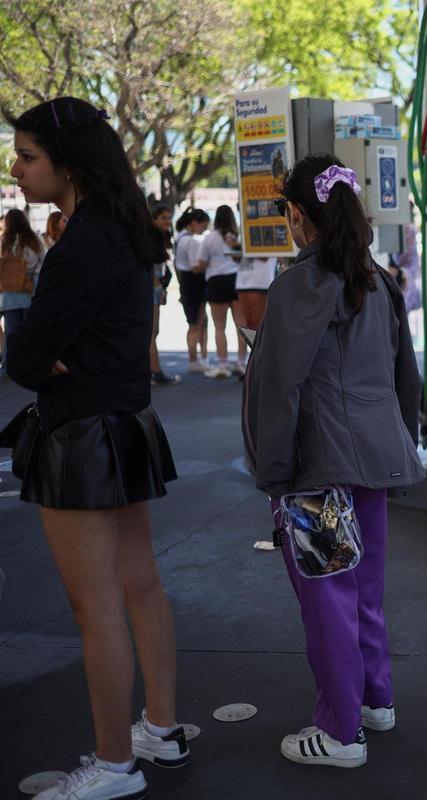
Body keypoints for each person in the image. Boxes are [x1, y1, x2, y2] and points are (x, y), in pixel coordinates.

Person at [5, 96, 185, 800]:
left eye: (27, 157)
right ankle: (160, 729)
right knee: (139, 588)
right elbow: (43, 347)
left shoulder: (82, 244)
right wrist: (43, 350)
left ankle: (113, 766)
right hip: (124, 426)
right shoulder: (122, 230)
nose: (17, 170)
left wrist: (40, 353)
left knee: (97, 608)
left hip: (81, 436)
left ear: (68, 164)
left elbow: (24, 357)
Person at [243, 153, 424, 767]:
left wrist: (272, 471)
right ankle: (375, 701)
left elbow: (280, 387)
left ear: (297, 214)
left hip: (314, 466)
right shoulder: (379, 280)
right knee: (364, 591)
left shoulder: (299, 285)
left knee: (327, 600)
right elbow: (407, 378)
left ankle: (341, 732)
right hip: (374, 457)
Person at [194, 204, 241, 378]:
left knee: (219, 326)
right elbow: (241, 257)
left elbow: (202, 263)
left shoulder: (209, 238)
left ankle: (222, 365)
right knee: (240, 325)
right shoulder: (236, 236)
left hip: (216, 281)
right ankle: (242, 362)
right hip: (236, 280)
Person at [1, 208, 44, 377]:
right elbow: (43, 260)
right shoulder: (34, 240)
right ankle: (34, 365)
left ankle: (7, 366)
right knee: (32, 330)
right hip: (30, 288)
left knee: (11, 330)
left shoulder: (5, 242)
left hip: (10, 292)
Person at [174, 207, 209, 373]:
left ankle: (198, 358)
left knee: (197, 322)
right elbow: (196, 267)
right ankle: (195, 359)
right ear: (194, 223)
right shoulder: (192, 241)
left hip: (187, 283)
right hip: (195, 282)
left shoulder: (181, 238)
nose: (205, 229)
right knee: (196, 322)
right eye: (203, 225)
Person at [149, 204, 180, 386]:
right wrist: (157, 285)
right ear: (154, 219)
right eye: (163, 218)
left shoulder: (161, 237)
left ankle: (153, 370)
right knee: (151, 332)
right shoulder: (151, 237)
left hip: (156, 286)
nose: (167, 221)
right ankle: (155, 370)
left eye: (169, 218)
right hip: (152, 286)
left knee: (154, 331)